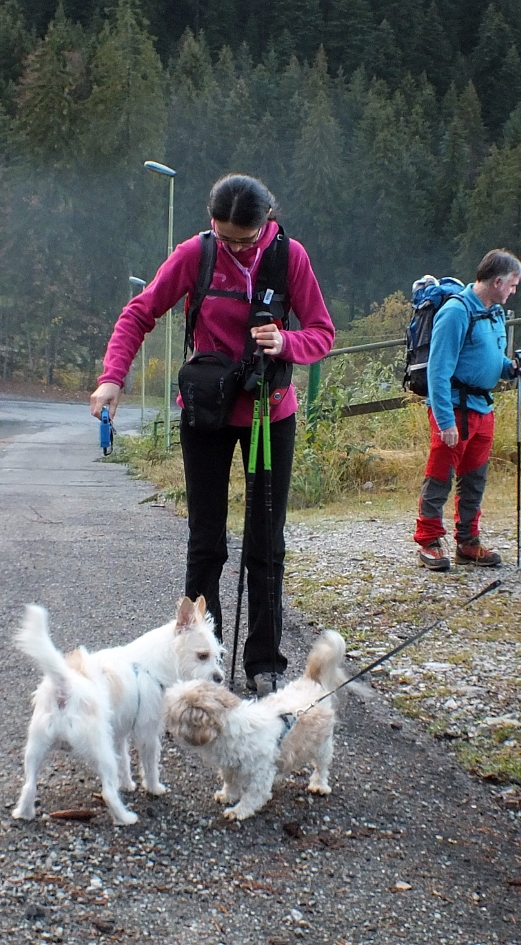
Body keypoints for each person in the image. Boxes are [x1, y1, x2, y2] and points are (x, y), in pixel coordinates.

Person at [90, 175, 335, 696]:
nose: (237, 248)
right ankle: (199, 665)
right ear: (212, 224)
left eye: (246, 239)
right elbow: (140, 312)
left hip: (270, 413)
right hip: (205, 414)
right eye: (226, 238)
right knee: (206, 543)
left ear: (266, 222)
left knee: (266, 543)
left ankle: (264, 662)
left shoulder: (291, 257)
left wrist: (286, 341)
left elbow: (321, 333)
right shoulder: (194, 254)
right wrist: (113, 377)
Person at [414, 250, 521, 572]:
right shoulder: (455, 312)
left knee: (474, 480)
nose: (514, 291)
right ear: (497, 281)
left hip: (482, 408)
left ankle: (468, 541)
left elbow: (489, 357)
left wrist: (510, 369)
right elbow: (438, 369)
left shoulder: (493, 313)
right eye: (513, 285)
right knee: (440, 477)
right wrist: (445, 421)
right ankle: (429, 540)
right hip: (454, 408)